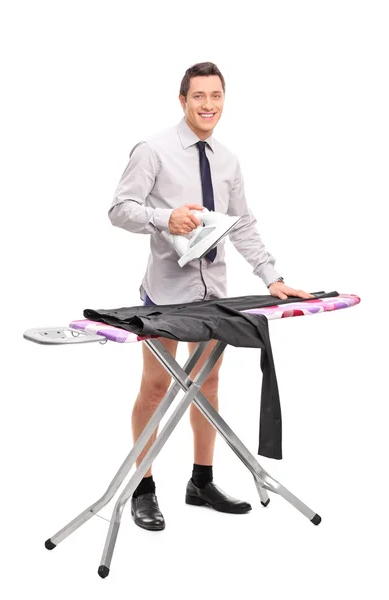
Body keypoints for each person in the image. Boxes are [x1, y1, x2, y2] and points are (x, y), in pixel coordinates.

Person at [109, 61, 313, 531]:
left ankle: (201, 481)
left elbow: (242, 224)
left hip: (213, 291)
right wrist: (164, 219)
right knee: (158, 388)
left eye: (215, 96)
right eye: (198, 96)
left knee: (208, 385)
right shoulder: (153, 150)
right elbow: (120, 209)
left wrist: (271, 277)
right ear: (182, 101)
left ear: (223, 100)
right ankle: (143, 486)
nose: (207, 105)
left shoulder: (228, 160)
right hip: (164, 292)